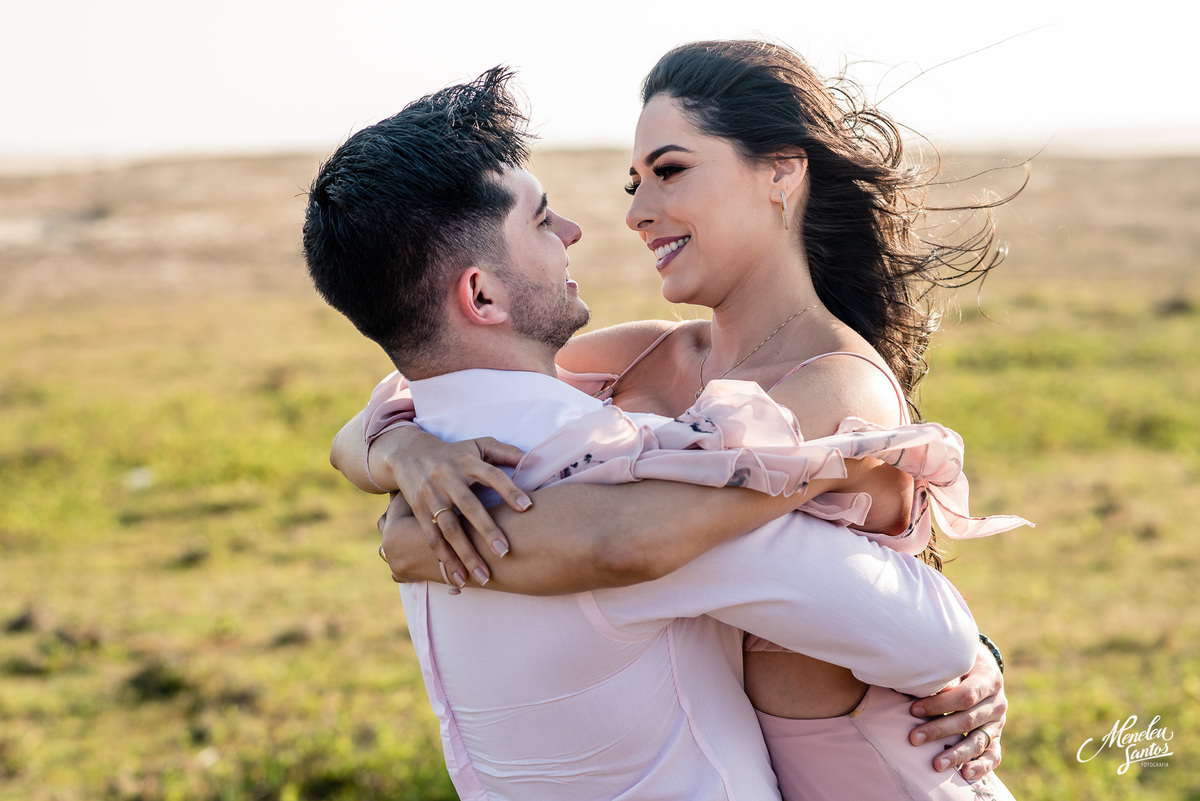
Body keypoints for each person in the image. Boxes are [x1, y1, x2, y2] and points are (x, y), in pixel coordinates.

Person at [339, 40, 1019, 797]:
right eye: (635, 183)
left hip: (874, 773)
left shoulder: (835, 387)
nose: (636, 213)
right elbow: (437, 376)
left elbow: (631, 539)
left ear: (780, 173)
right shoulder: (644, 357)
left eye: (670, 171)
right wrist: (402, 449)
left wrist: (417, 538)